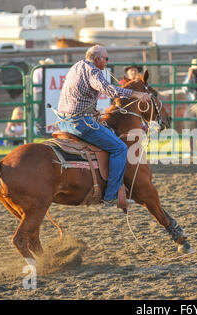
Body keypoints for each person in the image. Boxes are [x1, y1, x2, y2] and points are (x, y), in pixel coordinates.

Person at [56, 45, 152, 208]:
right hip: (80, 122)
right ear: (98, 59)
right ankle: (111, 195)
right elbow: (108, 90)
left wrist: (92, 111)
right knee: (120, 148)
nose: (107, 62)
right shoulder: (93, 71)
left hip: (64, 120)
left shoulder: (77, 66)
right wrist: (136, 94)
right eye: (106, 59)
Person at [32, 57, 55, 135]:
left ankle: (42, 130)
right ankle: (38, 130)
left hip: (44, 92)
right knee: (39, 111)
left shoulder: (37, 70)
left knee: (42, 111)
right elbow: (37, 84)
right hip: (41, 92)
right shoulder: (38, 71)